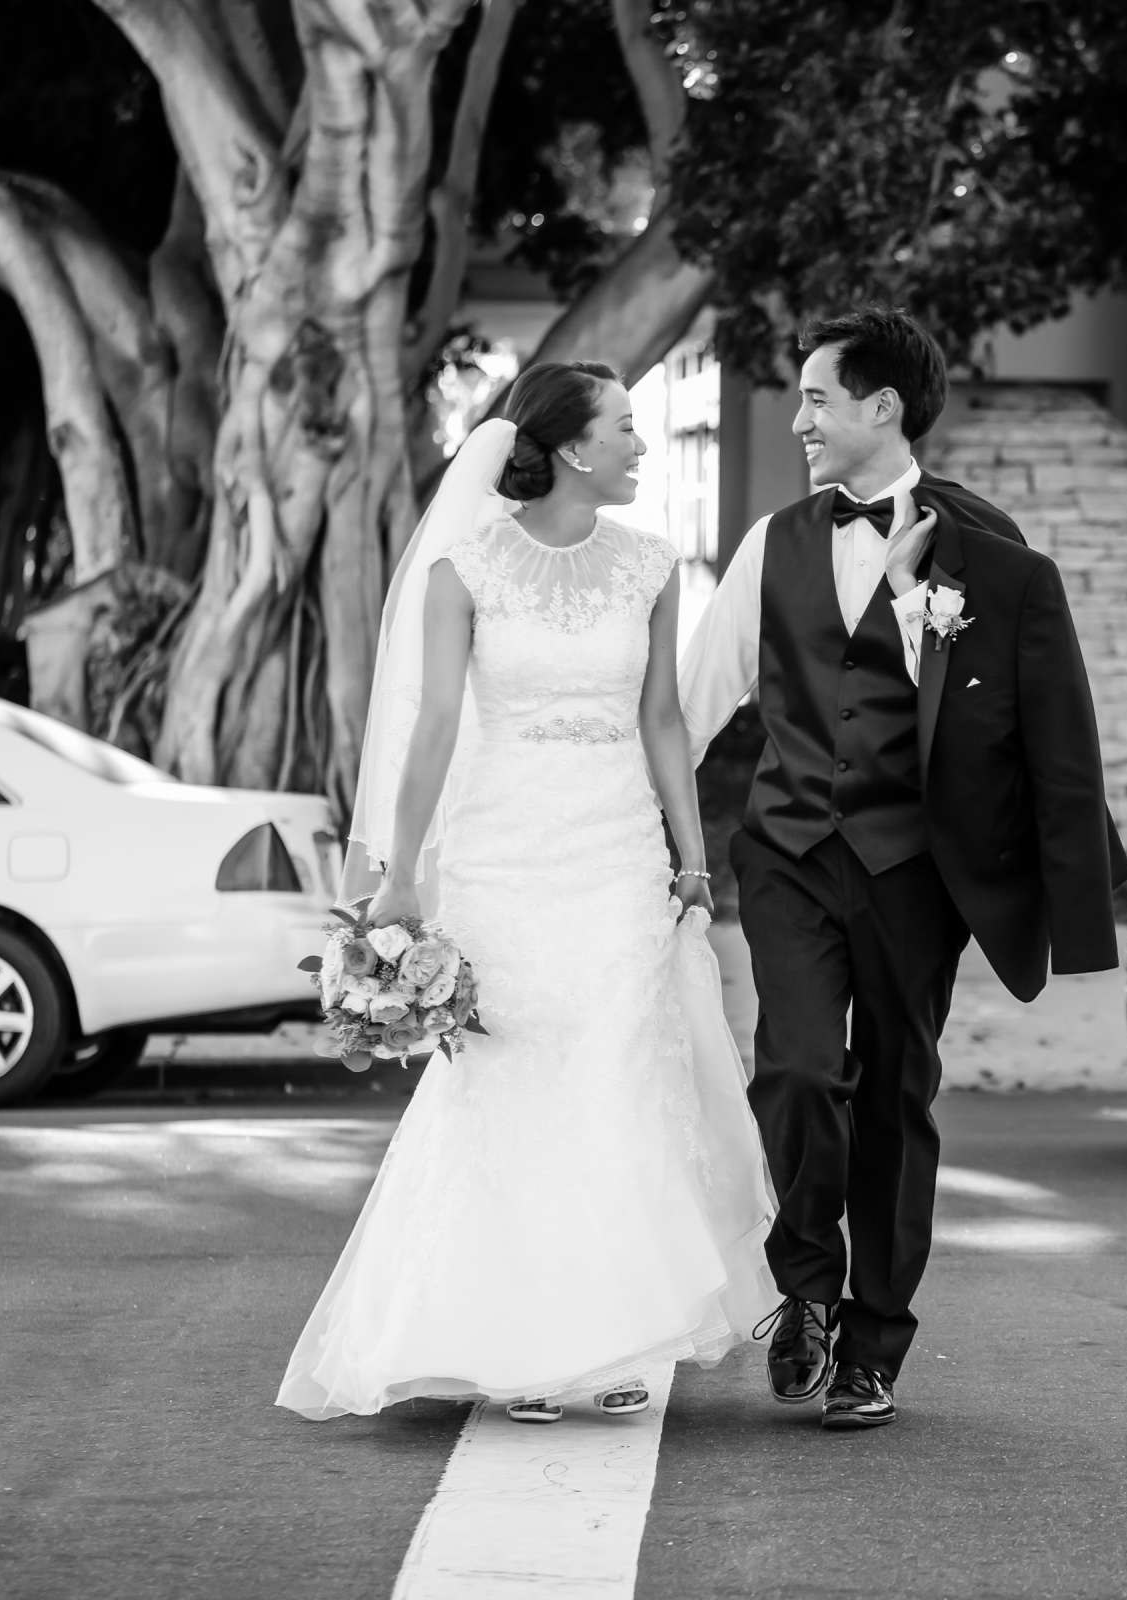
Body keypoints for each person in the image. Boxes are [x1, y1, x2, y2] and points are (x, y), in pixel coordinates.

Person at [277, 362, 775, 1424]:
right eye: (627, 428)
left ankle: (609, 1337)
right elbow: (433, 729)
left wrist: (692, 858)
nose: (643, 446)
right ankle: (510, 1343)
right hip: (502, 851)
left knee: (620, 1078)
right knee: (509, 1081)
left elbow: (665, 723)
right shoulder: (465, 568)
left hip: (614, 851)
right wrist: (401, 874)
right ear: (576, 448)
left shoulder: (649, 565)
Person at [679, 307, 1127, 1431]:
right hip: (785, 851)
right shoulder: (770, 544)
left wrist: (1073, 910)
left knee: (894, 1091)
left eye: (819, 397)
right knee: (791, 1068)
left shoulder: (994, 556)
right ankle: (805, 1291)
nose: (801, 420)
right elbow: (690, 706)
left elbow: (1054, 736)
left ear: (883, 408)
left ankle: (875, 1342)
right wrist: (632, 832)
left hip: (914, 870)